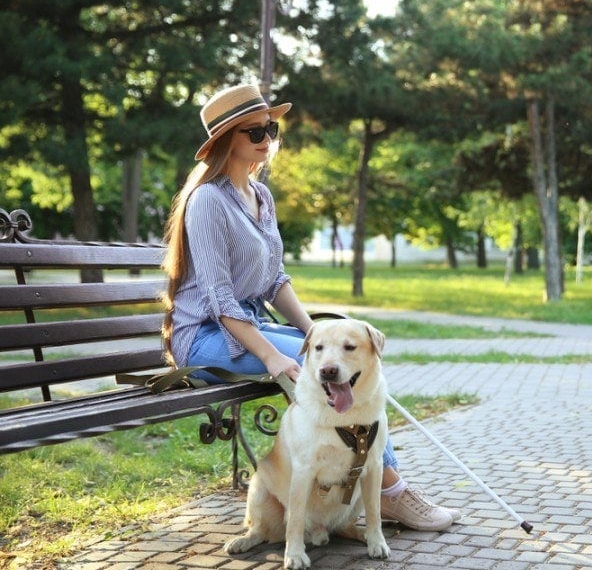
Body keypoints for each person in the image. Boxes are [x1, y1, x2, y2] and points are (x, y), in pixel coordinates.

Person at [160, 83, 457, 531]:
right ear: (226, 141)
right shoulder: (206, 202)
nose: (267, 140)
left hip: (248, 324)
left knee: (336, 358)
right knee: (309, 370)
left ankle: (362, 488)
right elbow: (221, 301)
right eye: (254, 132)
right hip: (203, 338)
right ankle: (389, 492)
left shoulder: (261, 197)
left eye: (271, 129)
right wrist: (271, 355)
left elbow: (275, 281)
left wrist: (315, 333)